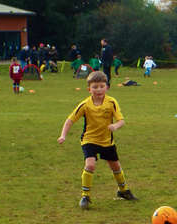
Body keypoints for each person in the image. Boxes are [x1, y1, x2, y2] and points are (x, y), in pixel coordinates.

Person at [57, 71, 137, 210]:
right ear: (89, 89)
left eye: (101, 86)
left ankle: (123, 191)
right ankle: (85, 195)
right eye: (95, 87)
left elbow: (121, 121)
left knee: (115, 167)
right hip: (89, 140)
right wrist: (63, 135)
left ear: (107, 87)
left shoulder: (111, 102)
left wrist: (115, 126)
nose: (98, 90)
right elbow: (70, 120)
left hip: (107, 141)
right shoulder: (85, 105)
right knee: (90, 165)